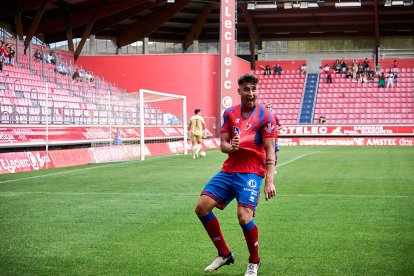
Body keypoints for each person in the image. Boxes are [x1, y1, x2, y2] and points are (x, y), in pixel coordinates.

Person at [194, 74, 277, 276]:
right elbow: (222, 144)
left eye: (254, 89)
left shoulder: (266, 116)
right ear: (239, 91)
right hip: (229, 169)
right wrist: (230, 148)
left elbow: (270, 150)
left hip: (251, 171)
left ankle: (254, 262)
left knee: (243, 216)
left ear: (258, 90)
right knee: (201, 208)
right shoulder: (230, 113)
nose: (251, 93)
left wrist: (269, 181)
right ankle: (224, 254)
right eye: (246, 89)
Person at [265, 103, 282, 174]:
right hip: (265, 139)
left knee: (275, 154)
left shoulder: (275, 117)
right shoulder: (263, 117)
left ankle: (274, 168)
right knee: (265, 154)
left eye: (270, 107)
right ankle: (265, 168)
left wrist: (275, 129)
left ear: (272, 109)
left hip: (274, 139)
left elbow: (280, 126)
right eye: (267, 107)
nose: (269, 108)